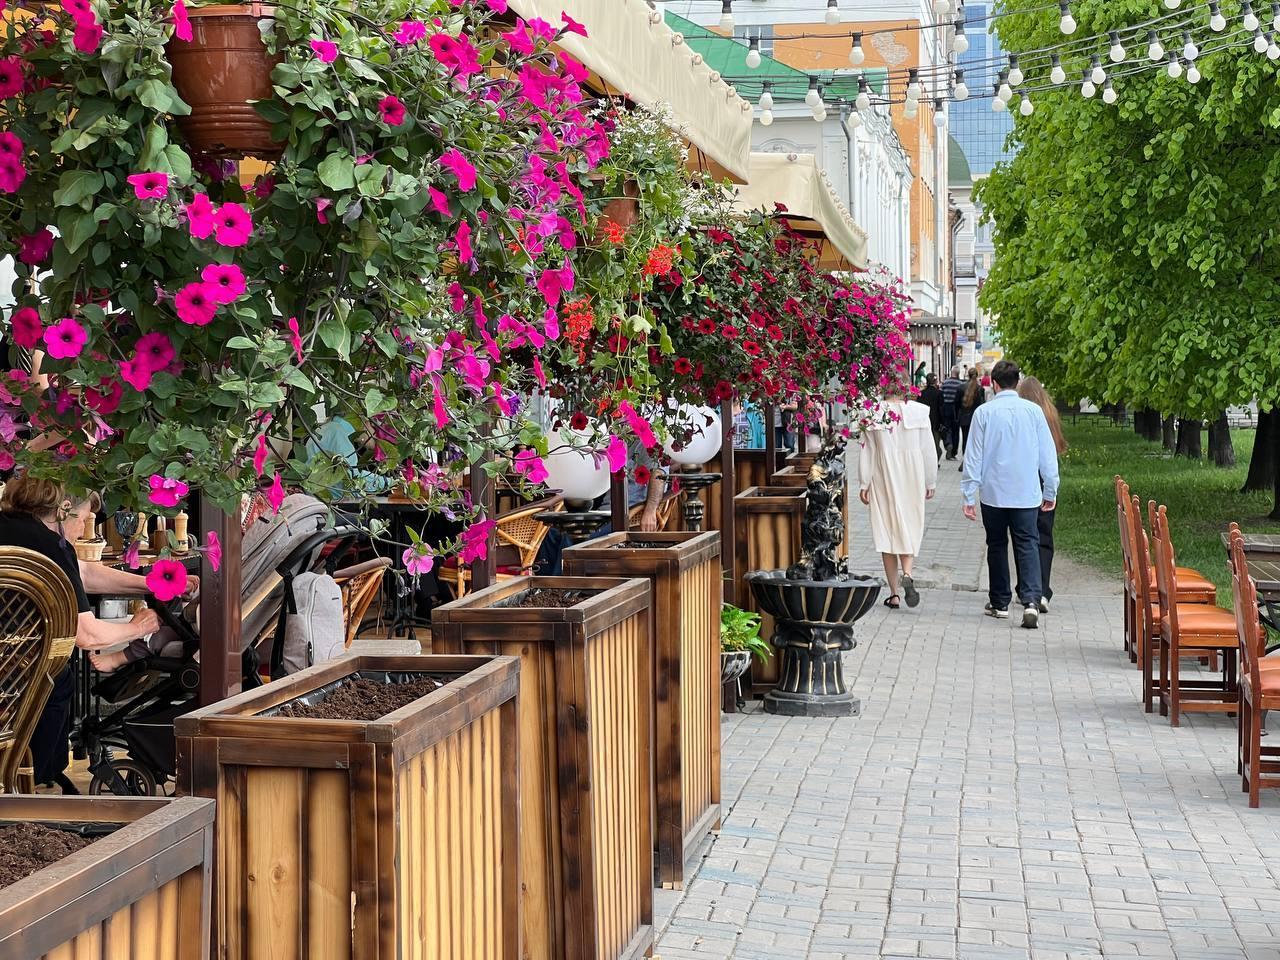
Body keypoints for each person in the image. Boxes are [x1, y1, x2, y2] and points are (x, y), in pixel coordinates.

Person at [0, 477, 164, 790]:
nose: (85, 528)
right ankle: (32, 777)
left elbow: (82, 573)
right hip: (13, 669)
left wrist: (150, 583)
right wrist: (139, 628)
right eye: (86, 518)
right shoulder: (50, 544)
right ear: (63, 510)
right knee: (57, 677)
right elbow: (87, 636)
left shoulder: (14, 527)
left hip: (7, 658)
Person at [960, 359, 1060, 629]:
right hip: (1027, 492)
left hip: (993, 492)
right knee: (1028, 543)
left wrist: (969, 494)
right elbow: (1047, 456)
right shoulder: (1034, 412)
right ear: (1017, 383)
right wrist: (1050, 489)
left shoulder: (984, 413)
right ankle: (1030, 600)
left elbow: (973, 457)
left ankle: (1000, 602)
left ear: (993, 383)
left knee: (996, 544)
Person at [858, 390, 939, 610]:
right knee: (909, 523)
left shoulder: (873, 412)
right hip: (913, 473)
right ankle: (908, 572)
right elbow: (928, 450)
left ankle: (894, 594)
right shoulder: (920, 412)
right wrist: (930, 481)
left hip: (883, 473)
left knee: (887, 529)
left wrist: (864, 482)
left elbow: (868, 450)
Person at [1016, 376, 1069, 612]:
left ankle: (1027, 588)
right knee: (1044, 535)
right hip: (1047, 478)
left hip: (1025, 479)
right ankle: (1043, 590)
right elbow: (1057, 448)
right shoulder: (1050, 415)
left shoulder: (1022, 415)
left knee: (1024, 536)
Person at [957, 368, 985, 470]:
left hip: (964, 418)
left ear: (968, 375)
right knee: (974, 440)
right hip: (975, 418)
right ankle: (972, 461)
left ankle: (965, 459)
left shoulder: (960, 387)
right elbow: (982, 405)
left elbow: (957, 404)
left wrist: (957, 416)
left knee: (965, 439)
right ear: (977, 376)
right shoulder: (980, 389)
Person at [918, 373, 944, 460]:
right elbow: (941, 409)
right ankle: (935, 459)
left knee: (925, 442)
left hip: (924, 420)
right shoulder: (939, 393)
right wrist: (943, 422)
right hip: (935, 422)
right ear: (935, 381)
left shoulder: (921, 393)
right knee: (935, 442)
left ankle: (927, 459)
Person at [940, 366, 963, 459]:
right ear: (958, 373)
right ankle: (953, 452)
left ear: (951, 372)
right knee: (955, 430)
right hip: (956, 409)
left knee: (946, 428)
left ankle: (948, 443)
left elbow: (941, 395)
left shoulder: (945, 383)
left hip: (946, 407)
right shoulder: (960, 384)